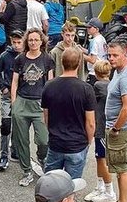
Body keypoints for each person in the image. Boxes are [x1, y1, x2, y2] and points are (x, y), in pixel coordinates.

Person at [41, 47, 96, 182]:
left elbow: (46, 116)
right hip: (77, 144)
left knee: (52, 184)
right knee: (72, 185)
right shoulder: (86, 89)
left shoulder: (49, 86)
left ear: (61, 61)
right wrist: (89, 140)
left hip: (56, 143)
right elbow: (90, 122)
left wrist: (52, 132)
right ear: (79, 63)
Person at [100, 41, 127, 202]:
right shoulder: (120, 72)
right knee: (117, 166)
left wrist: (115, 128)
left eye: (115, 55)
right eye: (109, 55)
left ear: (125, 55)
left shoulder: (125, 78)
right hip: (117, 128)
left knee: (122, 168)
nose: (111, 59)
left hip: (121, 130)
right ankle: (120, 201)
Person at [11, 29, 52, 187]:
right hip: (22, 102)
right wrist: (14, 103)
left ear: (41, 42)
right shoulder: (20, 59)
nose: (33, 43)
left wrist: (49, 103)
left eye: (36, 40)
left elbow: (50, 82)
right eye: (31, 40)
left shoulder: (47, 59)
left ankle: (42, 157)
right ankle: (26, 170)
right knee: (22, 140)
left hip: (40, 104)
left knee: (43, 139)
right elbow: (14, 81)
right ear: (27, 42)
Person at [84, 60, 117, 202]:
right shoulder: (112, 84)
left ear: (96, 73)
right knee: (99, 158)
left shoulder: (98, 86)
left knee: (102, 158)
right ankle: (100, 186)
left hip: (101, 127)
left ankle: (109, 191)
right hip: (103, 126)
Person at [0, 31, 24, 173]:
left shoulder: (26, 56)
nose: (17, 45)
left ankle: (16, 150)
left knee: (19, 125)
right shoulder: (5, 56)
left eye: (19, 42)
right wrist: (3, 87)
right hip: (7, 96)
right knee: (6, 125)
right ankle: (3, 155)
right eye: (14, 42)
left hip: (22, 96)